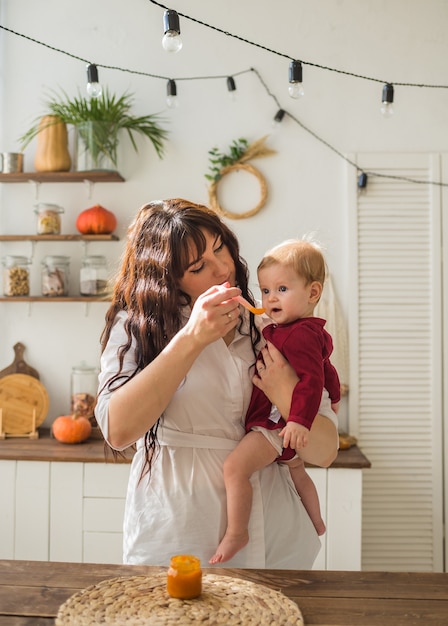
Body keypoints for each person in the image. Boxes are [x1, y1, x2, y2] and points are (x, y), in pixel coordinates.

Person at [95, 199, 339, 569]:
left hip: (278, 536)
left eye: (220, 248)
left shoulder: (271, 323)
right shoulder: (137, 326)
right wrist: (192, 338)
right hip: (181, 532)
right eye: (198, 267)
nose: (223, 268)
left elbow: (324, 452)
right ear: (168, 278)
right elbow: (118, 430)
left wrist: (286, 391)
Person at [210, 239, 340, 564]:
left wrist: (297, 420)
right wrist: (334, 398)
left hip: (277, 426)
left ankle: (237, 531)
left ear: (313, 293)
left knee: (235, 468)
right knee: (297, 474)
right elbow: (328, 373)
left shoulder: (297, 335)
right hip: (287, 428)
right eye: (265, 291)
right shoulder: (304, 331)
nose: (270, 299)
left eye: (282, 288)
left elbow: (311, 381)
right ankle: (317, 522)